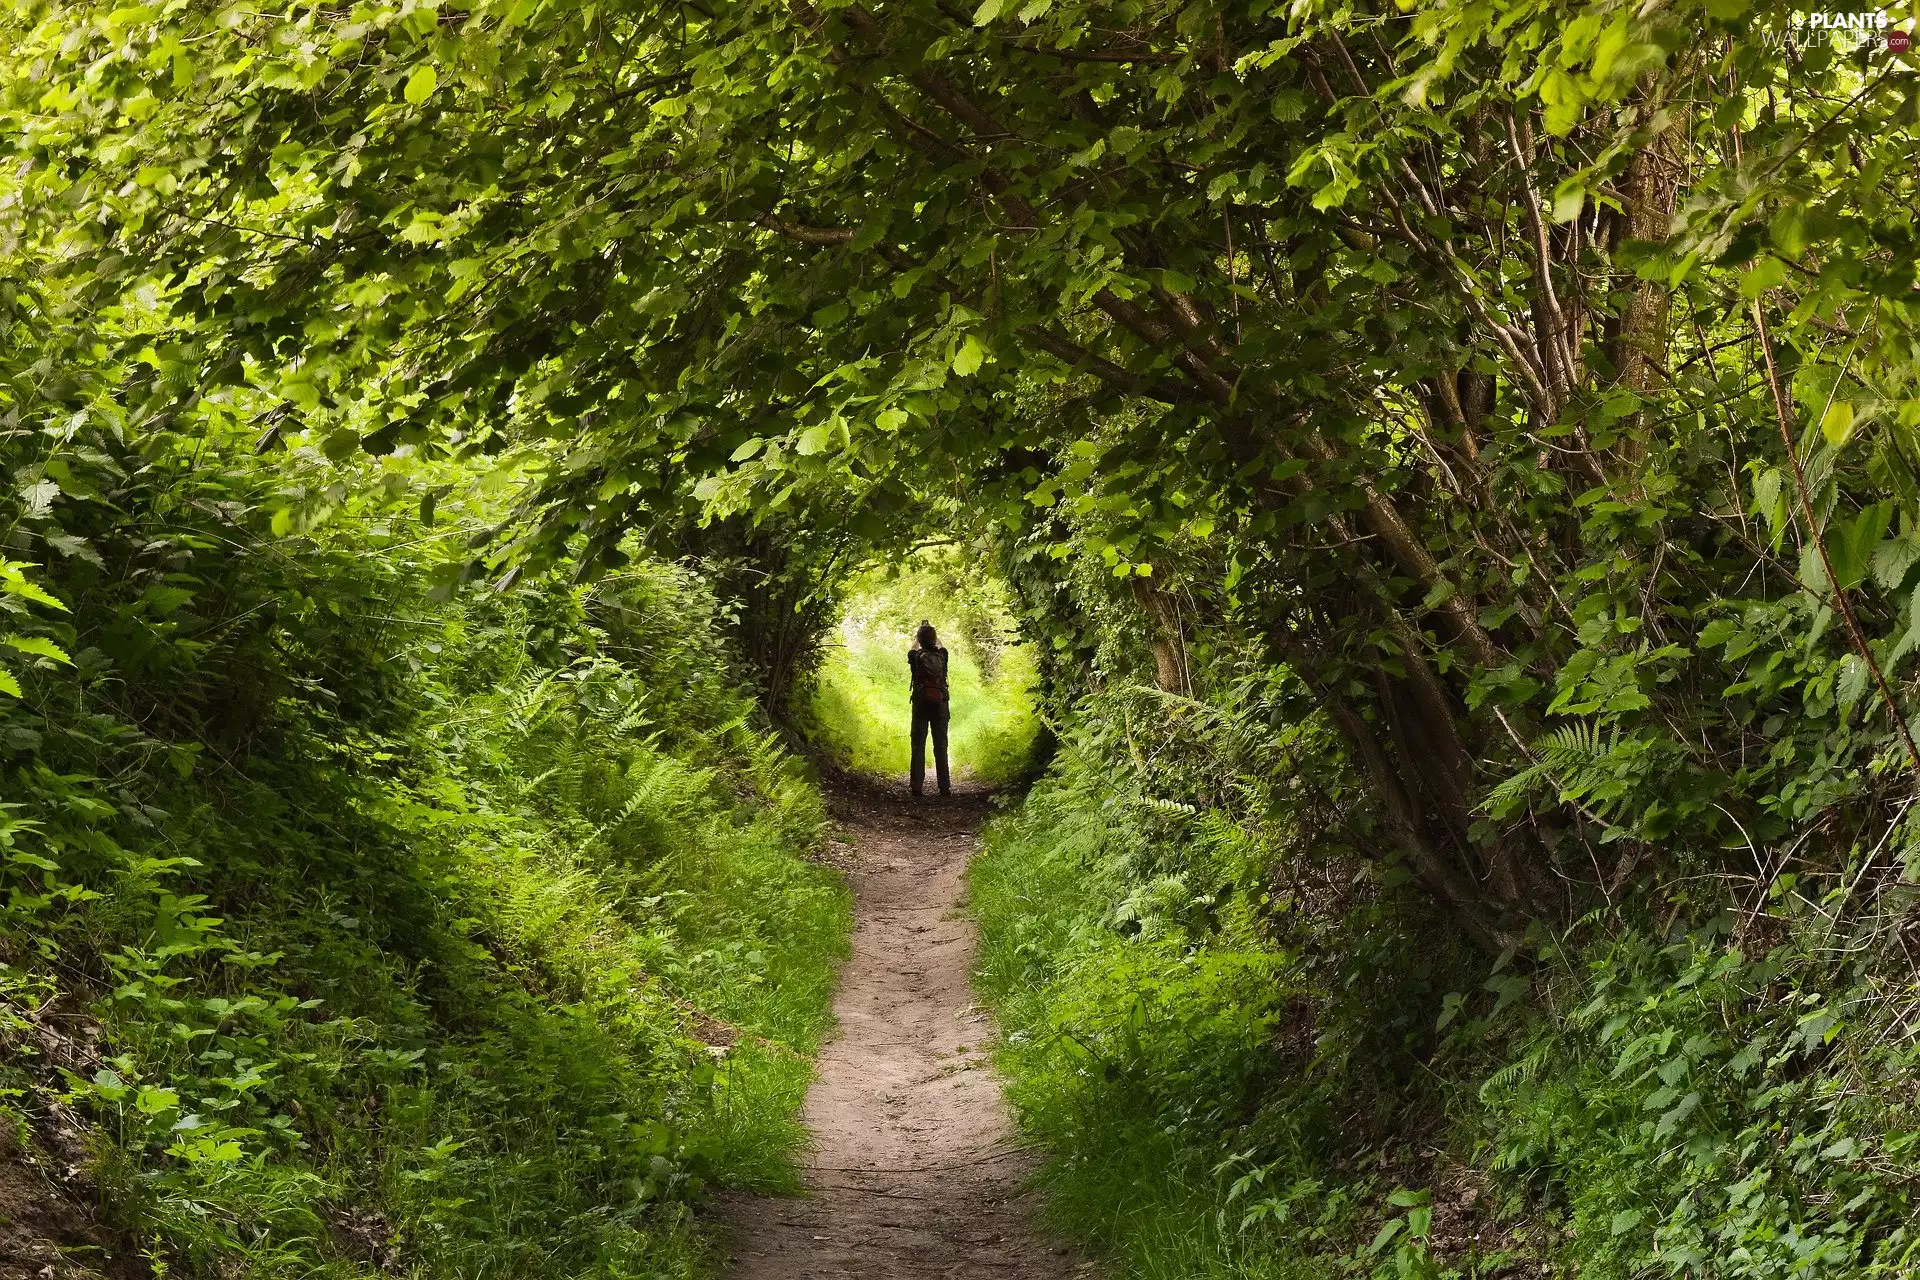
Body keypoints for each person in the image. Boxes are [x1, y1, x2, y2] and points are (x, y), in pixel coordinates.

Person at [908, 620, 951, 797]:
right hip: (940, 703)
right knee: (941, 744)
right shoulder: (943, 654)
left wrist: (918, 637)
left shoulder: (915, 657)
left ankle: (917, 786)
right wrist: (933, 635)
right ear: (934, 640)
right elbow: (939, 645)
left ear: (919, 639)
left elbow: (913, 647)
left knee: (918, 744)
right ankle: (944, 787)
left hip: (921, 703)